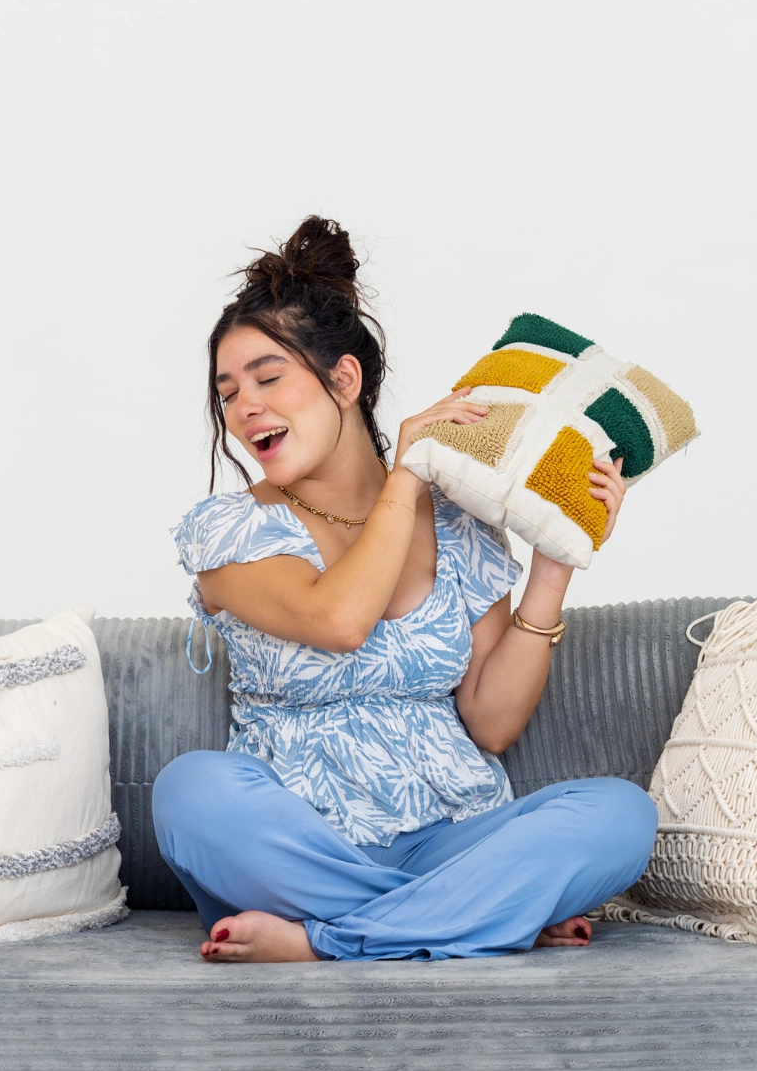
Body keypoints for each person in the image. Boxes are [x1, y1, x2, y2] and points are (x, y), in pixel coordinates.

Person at [153, 216, 657, 963]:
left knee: (622, 816)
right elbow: (339, 619)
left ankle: (332, 941)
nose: (244, 408)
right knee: (189, 791)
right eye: (227, 394)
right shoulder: (227, 534)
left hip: (451, 839)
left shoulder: (459, 525)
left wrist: (557, 558)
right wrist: (409, 473)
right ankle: (482, 916)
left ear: (344, 380)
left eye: (267, 378)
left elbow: (490, 726)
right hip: (300, 853)